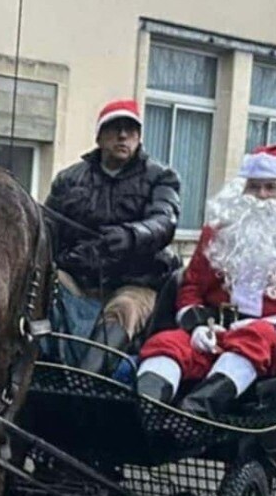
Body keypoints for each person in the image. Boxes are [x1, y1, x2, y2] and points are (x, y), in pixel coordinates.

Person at [136, 145, 276, 418]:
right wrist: (197, 325)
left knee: (254, 339)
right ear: (241, 190)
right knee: (168, 342)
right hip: (218, 331)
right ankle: (147, 410)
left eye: (271, 187)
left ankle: (195, 413)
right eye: (254, 187)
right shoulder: (219, 231)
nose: (261, 196)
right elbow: (192, 287)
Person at [45, 99, 181, 371]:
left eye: (130, 130)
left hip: (137, 282)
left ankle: (87, 378)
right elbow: (46, 227)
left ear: (139, 137)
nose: (122, 136)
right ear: (99, 136)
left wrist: (132, 236)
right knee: (45, 286)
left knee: (125, 309)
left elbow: (164, 221)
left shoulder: (162, 177)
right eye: (114, 128)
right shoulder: (68, 179)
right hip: (80, 279)